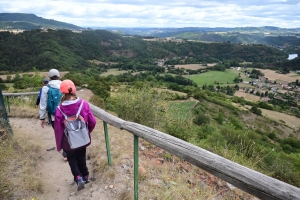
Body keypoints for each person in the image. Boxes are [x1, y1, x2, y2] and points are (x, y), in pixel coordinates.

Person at [54, 79, 96, 191]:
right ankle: (86, 176)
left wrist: (59, 145)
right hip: (82, 139)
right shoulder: (84, 104)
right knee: (81, 156)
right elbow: (93, 122)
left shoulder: (59, 109)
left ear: (62, 92)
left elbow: (58, 130)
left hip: (68, 142)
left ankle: (78, 178)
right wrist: (86, 132)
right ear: (74, 90)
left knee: (72, 159)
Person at [39, 69, 67, 160]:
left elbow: (43, 104)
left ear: (49, 77)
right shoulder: (64, 85)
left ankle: (65, 153)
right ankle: (69, 151)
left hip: (54, 116)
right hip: (66, 114)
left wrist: (42, 117)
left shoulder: (46, 88)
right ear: (59, 76)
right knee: (68, 132)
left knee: (59, 133)